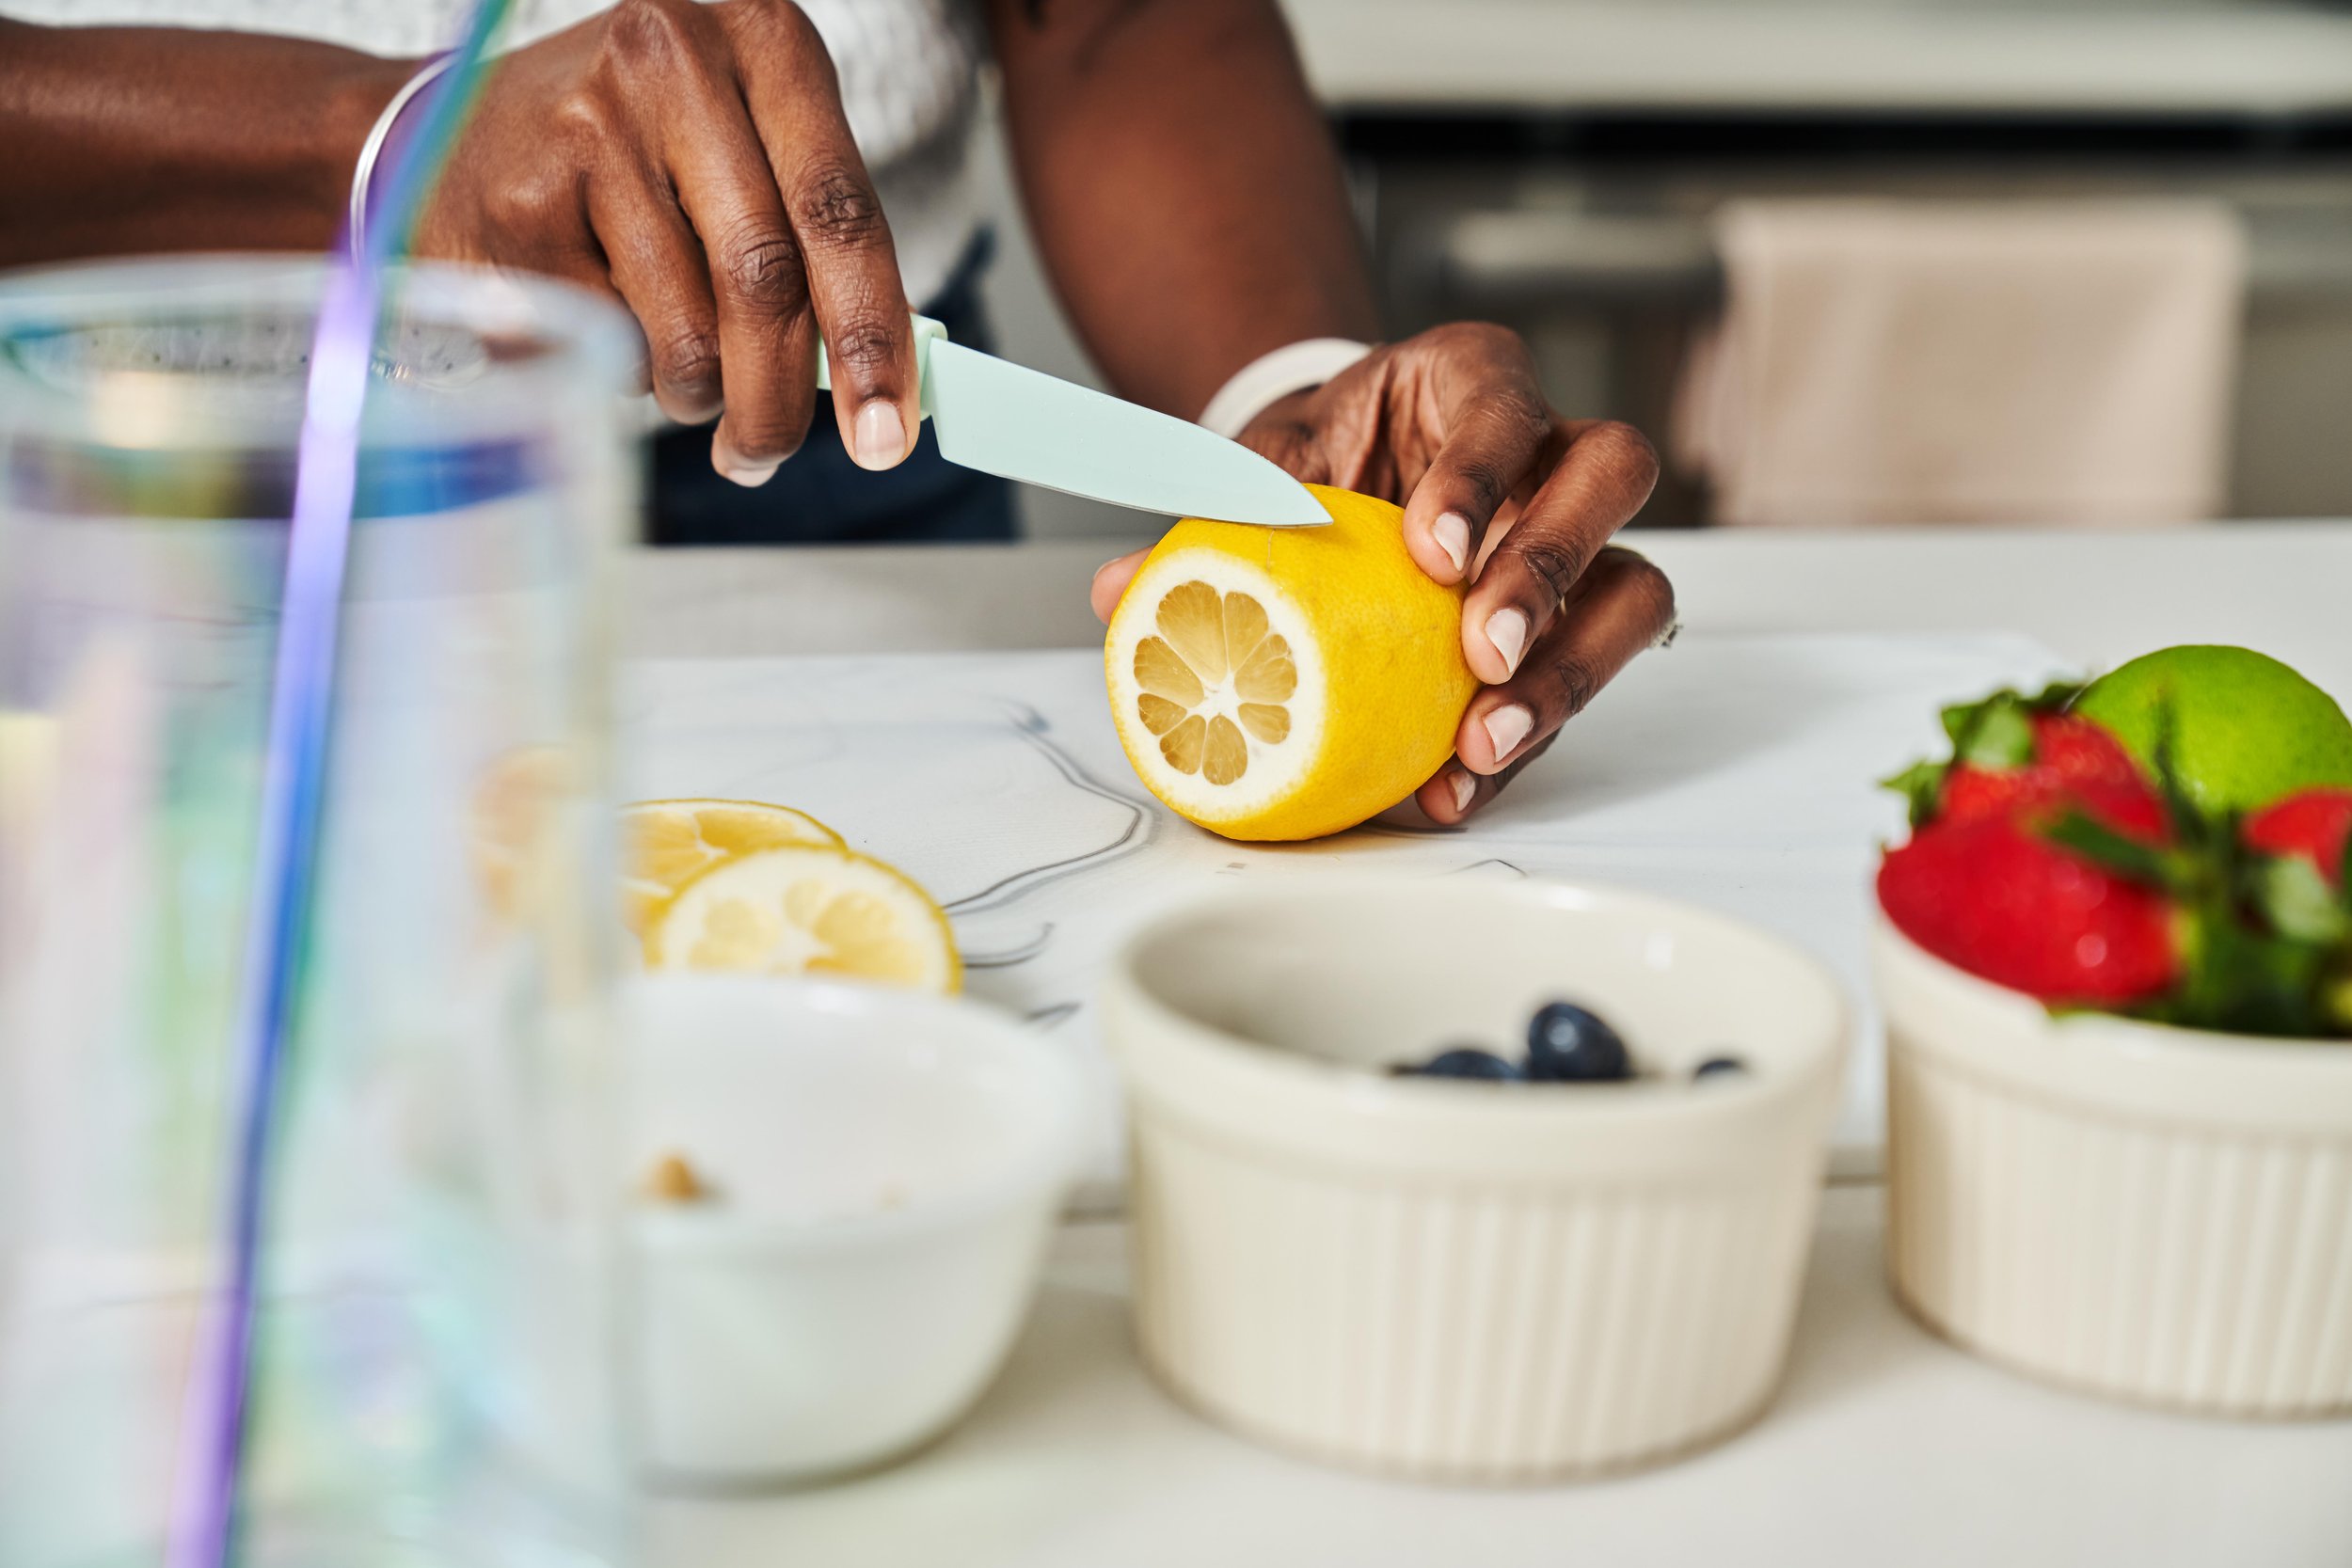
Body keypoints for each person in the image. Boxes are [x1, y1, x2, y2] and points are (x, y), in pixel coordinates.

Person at [0, 0, 1675, 825]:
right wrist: (368, 150)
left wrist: (1290, 399)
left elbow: (1108, 23)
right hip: (98, 496)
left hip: (836, 473)